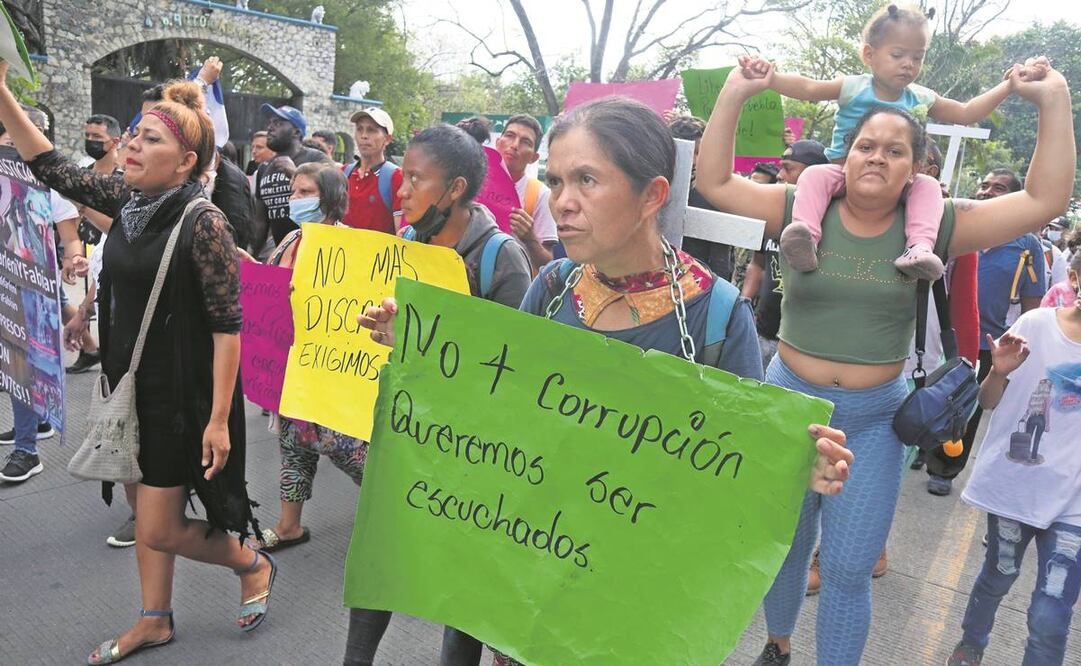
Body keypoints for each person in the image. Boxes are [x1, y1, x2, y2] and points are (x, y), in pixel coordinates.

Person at [358, 99, 856, 666]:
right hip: (525, 576)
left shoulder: (716, 316)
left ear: (652, 195)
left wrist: (794, 467)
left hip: (629, 608)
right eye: (555, 181)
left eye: (587, 180)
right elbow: (501, 407)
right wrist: (425, 346)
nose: (562, 202)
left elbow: (742, 467)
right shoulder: (552, 288)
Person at [696, 55, 1072, 666]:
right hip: (788, 409)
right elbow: (713, 181)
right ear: (844, 157)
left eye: (895, 150)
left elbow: (1044, 199)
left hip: (873, 422)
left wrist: (1053, 98)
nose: (876, 157)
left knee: (847, 570)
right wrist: (737, 90)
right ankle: (778, 644)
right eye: (865, 146)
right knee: (784, 549)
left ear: (916, 168)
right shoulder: (799, 207)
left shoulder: (938, 224)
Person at [0, 67, 275, 663]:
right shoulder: (129, 201)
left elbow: (228, 327)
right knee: (142, 508)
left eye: (151, 140)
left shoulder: (204, 222)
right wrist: (2, 95)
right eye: (134, 135)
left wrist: (219, 419)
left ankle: (252, 563)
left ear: (186, 162)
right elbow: (49, 164)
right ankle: (154, 619)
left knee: (157, 527)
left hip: (178, 398)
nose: (131, 146)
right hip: (124, 388)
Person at [343, 123, 533, 666]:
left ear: (454, 190)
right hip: (405, 435)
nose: (401, 192)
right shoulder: (405, 245)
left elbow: (516, 368)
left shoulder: (501, 258)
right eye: (402, 178)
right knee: (379, 558)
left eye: (415, 180)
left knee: (461, 585)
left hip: (474, 452)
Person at [742, 3, 1043, 282]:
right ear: (869, 54)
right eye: (898, 55)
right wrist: (771, 78)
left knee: (928, 187)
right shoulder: (853, 87)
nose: (908, 64)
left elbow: (965, 112)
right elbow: (809, 88)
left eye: (917, 57)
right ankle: (805, 237)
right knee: (813, 176)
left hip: (896, 184)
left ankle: (919, 248)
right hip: (843, 175)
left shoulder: (920, 97)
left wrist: (1008, 86)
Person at [946, 251, 1081, 666]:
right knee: (999, 574)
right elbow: (987, 402)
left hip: (1074, 502)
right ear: (1074, 277)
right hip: (1016, 486)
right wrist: (998, 372)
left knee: (1051, 614)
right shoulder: (1035, 326)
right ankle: (970, 646)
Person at [242, 162, 368, 552]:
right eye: (294, 192)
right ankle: (289, 525)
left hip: (333, 375)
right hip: (291, 368)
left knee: (351, 452)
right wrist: (251, 271)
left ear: (330, 198)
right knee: (294, 446)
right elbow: (271, 291)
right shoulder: (290, 241)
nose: (294, 200)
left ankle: (397, 514)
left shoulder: (352, 246)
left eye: (305, 193)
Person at [927, 168, 1048, 496]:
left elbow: (1032, 304)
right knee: (930, 394)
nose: (987, 191)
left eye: (998, 188)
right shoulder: (958, 229)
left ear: (1014, 198)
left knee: (965, 406)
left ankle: (945, 467)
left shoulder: (1027, 246)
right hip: (943, 333)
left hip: (989, 343)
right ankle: (924, 445)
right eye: (984, 185)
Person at [0, 105, 78, 483]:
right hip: (5, 285)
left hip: (31, 290)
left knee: (22, 363)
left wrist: (73, 258)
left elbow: (70, 234)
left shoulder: (49, 181)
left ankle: (27, 450)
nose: (13, 144)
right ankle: (33, 422)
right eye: (8, 136)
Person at [743, 140, 829, 371]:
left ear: (814, 175)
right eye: (780, 167)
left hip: (801, 347)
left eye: (788, 168)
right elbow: (758, 265)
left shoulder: (832, 222)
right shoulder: (774, 217)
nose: (779, 175)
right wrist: (743, 305)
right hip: (762, 334)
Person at [666, 113, 736, 281]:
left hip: (699, 284)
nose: (694, 161)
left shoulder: (715, 196)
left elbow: (721, 261)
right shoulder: (653, 190)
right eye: (690, 152)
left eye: (701, 153)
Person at [252, 104, 331, 251]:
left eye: (278, 123)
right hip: (282, 254)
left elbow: (334, 200)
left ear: (296, 131)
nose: (270, 128)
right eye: (270, 123)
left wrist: (295, 173)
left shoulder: (316, 158)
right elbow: (261, 222)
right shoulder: (264, 168)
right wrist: (253, 254)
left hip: (315, 251)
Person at [495, 114, 558, 272]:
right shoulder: (474, 182)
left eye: (525, 142)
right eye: (510, 136)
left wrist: (530, 239)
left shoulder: (540, 195)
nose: (514, 145)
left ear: (534, 158)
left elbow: (549, 265)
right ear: (498, 142)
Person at [341, 107, 402, 234]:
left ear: (387, 139)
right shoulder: (343, 173)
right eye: (359, 129)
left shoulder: (396, 177)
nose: (364, 136)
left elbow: (401, 232)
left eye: (371, 130)